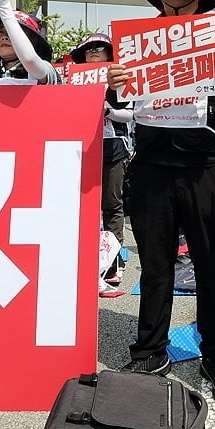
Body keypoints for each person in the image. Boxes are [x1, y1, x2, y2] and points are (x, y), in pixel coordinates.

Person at [107, 0, 215, 403]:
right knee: (155, 267)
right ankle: (150, 349)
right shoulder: (137, 37)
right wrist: (114, 79)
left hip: (204, 166)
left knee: (209, 267)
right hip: (150, 167)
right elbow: (121, 95)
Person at [70, 32, 133, 289]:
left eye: (100, 48)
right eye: (89, 49)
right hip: (81, 147)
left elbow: (131, 114)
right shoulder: (73, 79)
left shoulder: (120, 79)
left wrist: (107, 110)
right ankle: (84, 260)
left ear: (109, 54)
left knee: (111, 204)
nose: (94, 52)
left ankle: (112, 263)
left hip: (112, 146)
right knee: (83, 208)